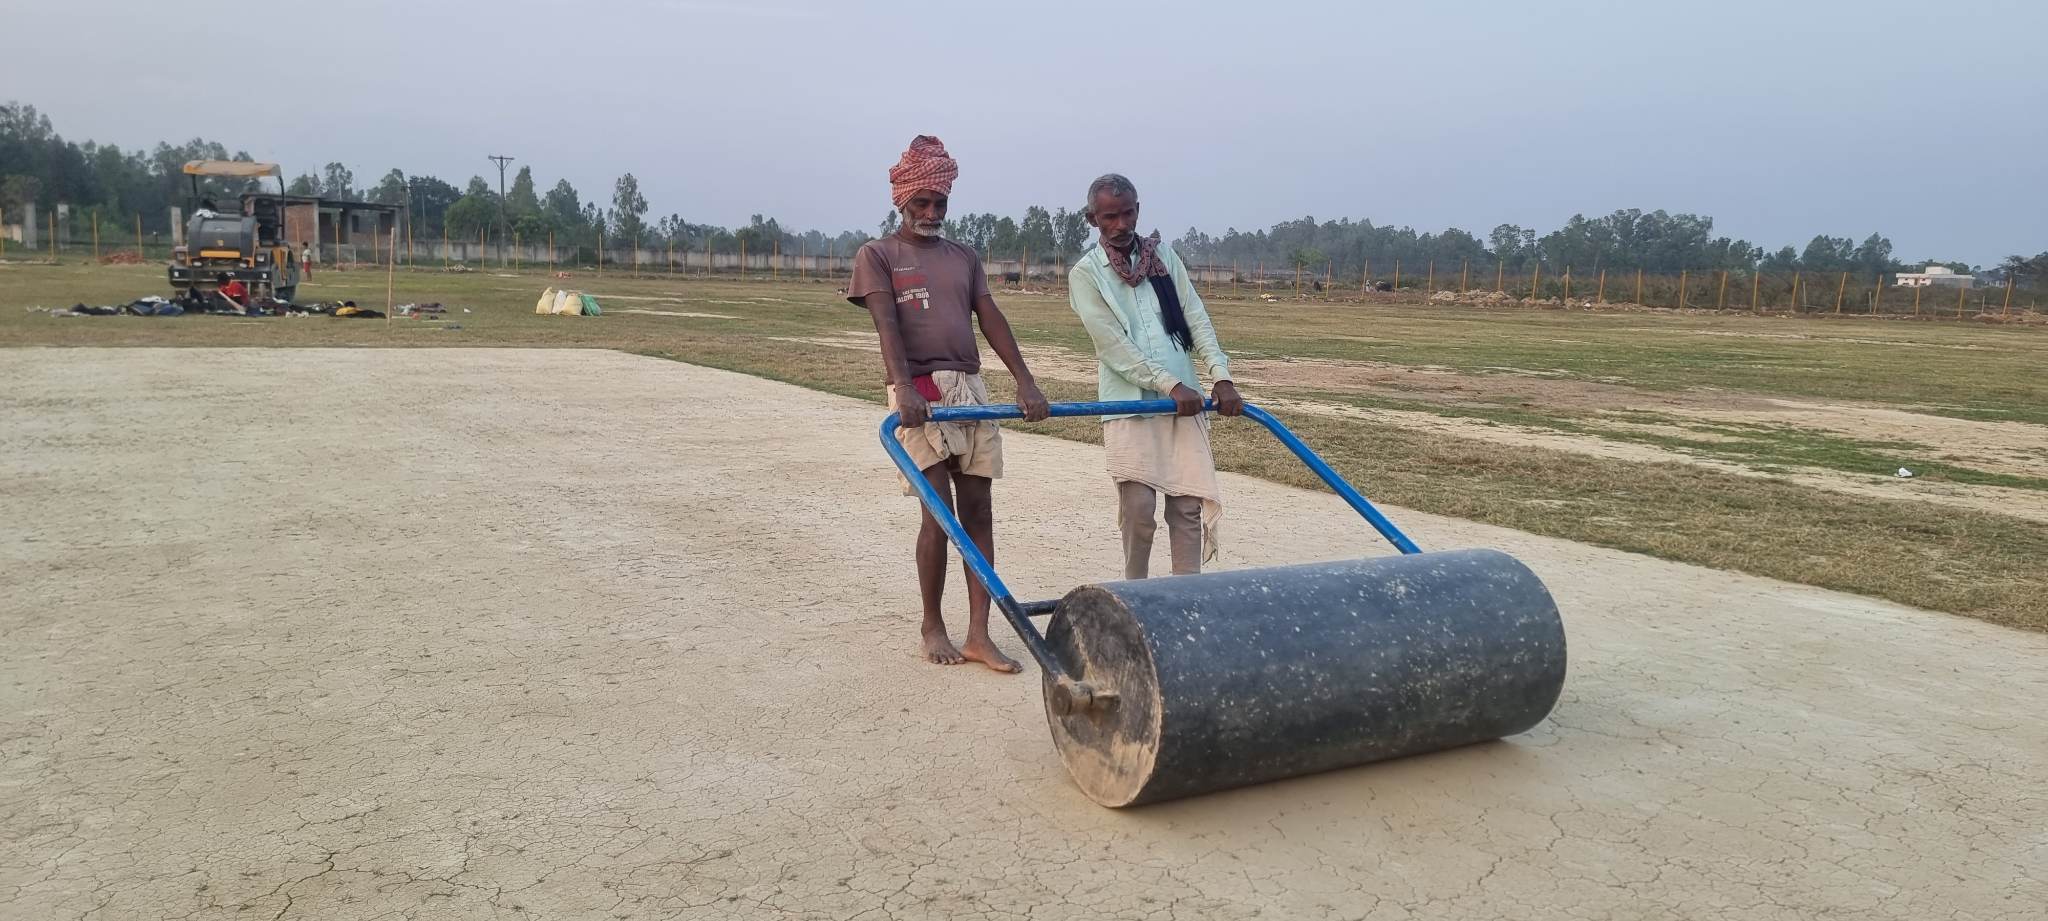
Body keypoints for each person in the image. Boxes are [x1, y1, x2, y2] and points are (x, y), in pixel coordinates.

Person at [847, 135, 1049, 672]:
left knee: (978, 508)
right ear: (902, 201)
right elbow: (887, 326)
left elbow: (991, 317)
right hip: (919, 392)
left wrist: (1025, 381)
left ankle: (979, 633)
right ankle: (932, 626)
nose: (932, 213)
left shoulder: (964, 257)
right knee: (937, 512)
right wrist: (903, 387)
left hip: (969, 388)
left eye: (940, 203)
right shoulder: (878, 255)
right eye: (923, 203)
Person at [1067, 174, 1241, 579]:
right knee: (1138, 510)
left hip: (1184, 403)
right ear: (1092, 219)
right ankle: (1137, 597)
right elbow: (1113, 346)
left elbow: (1195, 317)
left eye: (1128, 213)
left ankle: (1187, 599)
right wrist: (1169, 385)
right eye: (1110, 217)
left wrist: (1221, 376)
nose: (1122, 225)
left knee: (1187, 508)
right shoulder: (1086, 274)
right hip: (1129, 404)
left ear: (1138, 210)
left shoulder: (1164, 257)